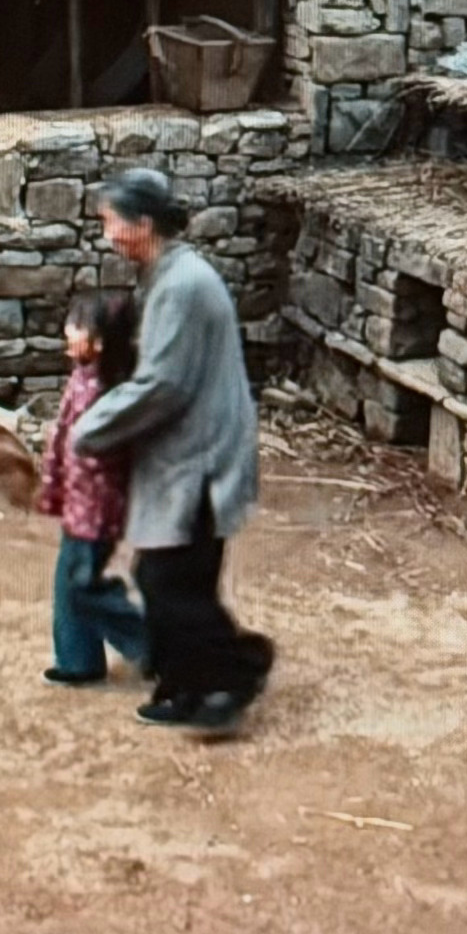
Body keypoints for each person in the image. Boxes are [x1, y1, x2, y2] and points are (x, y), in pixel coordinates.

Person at [65, 167, 275, 736]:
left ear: (144, 223)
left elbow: (163, 385)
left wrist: (90, 426)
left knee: (167, 579)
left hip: (201, 460)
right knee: (177, 576)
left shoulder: (181, 285)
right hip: (193, 452)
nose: (107, 235)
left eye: (112, 222)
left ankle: (231, 673)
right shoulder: (167, 275)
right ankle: (190, 682)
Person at [36, 289, 151, 687]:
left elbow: (92, 457)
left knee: (83, 588)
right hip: (80, 507)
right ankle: (77, 661)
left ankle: (154, 647)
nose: (67, 330)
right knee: (70, 585)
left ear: (101, 343)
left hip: (95, 511)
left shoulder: (108, 393)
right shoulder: (85, 378)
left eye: (77, 325)